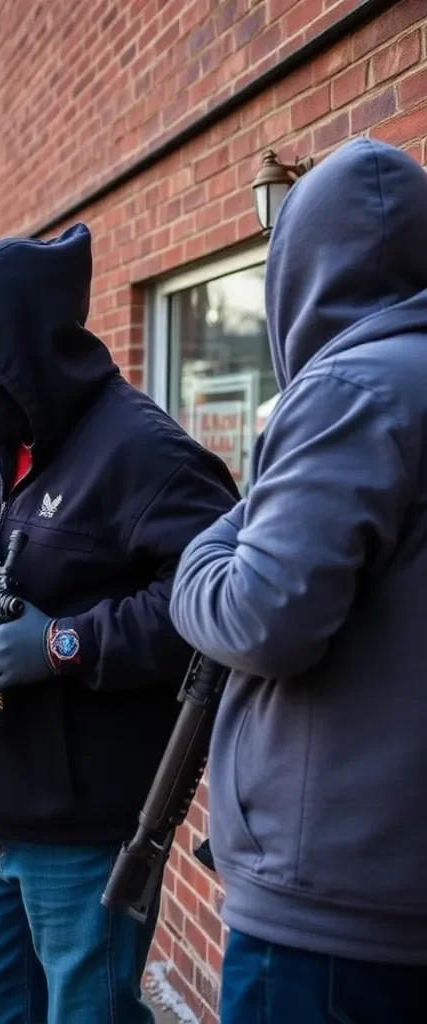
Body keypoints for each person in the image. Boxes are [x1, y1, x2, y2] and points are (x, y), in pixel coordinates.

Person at [0, 224, 238, 1023]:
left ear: (28, 352)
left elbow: (214, 606)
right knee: (0, 1013)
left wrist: (62, 643)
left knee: (91, 1015)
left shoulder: (144, 453)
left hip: (81, 831)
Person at [169, 138, 427, 1022]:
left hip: (331, 911)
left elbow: (259, 616)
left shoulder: (352, 389)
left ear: (301, 271)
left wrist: (201, 556)